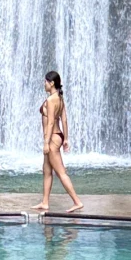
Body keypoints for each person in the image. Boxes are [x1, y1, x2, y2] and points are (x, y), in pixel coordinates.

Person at [32, 70, 85, 214]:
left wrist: (46, 142)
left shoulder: (51, 100)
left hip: (52, 138)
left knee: (61, 172)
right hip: (58, 136)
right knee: (46, 171)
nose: (44, 84)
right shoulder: (59, 98)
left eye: (45, 81)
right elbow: (64, 119)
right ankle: (45, 202)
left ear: (51, 83)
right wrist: (66, 138)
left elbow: (50, 123)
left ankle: (77, 202)